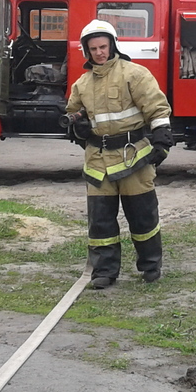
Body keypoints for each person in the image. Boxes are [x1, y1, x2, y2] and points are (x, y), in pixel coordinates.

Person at [65, 19, 173, 289]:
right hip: (98, 162)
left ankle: (150, 265)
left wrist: (161, 141)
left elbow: (157, 109)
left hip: (133, 157)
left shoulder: (134, 74)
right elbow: (72, 116)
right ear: (86, 51)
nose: (99, 52)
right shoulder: (82, 84)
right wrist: (77, 127)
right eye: (93, 48)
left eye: (103, 46)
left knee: (143, 217)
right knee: (100, 222)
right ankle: (104, 271)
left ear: (112, 45)